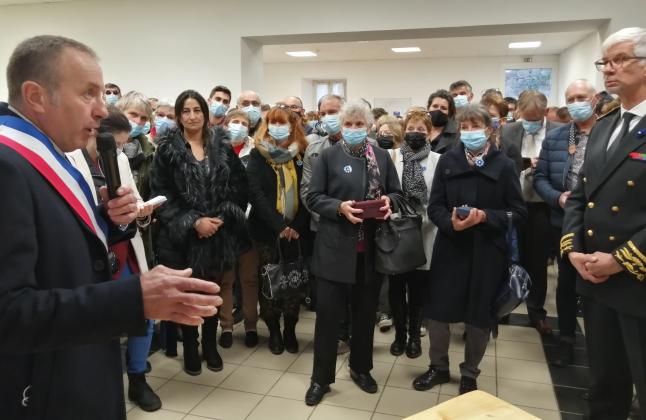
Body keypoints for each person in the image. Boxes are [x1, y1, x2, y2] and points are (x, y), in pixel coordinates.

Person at [0, 34, 221, 420]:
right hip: (43, 387)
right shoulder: (8, 164)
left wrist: (107, 220)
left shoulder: (60, 153)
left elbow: (56, 248)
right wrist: (133, 298)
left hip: (77, 362)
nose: (103, 110)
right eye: (88, 94)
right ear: (35, 96)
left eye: (103, 94)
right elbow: (10, 312)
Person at [561, 27, 646, 420]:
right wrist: (574, 250)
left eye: (620, 59)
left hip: (637, 279)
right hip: (596, 278)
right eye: (605, 62)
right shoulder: (606, 125)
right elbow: (581, 194)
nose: (609, 70)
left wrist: (622, 259)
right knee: (605, 385)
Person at [413, 104, 526, 395]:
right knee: (438, 313)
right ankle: (438, 367)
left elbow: (518, 212)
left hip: (488, 251)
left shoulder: (504, 166)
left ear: (489, 129)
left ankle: (469, 374)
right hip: (451, 247)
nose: (470, 132)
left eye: (476, 126)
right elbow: (435, 205)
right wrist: (450, 223)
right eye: (465, 127)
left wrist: (487, 217)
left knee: (479, 316)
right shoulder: (448, 161)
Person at [305, 101, 402, 406]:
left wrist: (389, 201)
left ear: (369, 127)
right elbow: (313, 197)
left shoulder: (382, 157)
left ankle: (361, 369)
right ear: (341, 127)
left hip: (370, 251)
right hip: (335, 248)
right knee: (328, 319)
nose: (355, 129)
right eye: (349, 124)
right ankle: (320, 378)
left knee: (364, 316)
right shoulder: (328, 156)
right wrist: (338, 207)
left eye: (360, 124)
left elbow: (397, 194)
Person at [67, 109, 161, 412]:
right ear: (95, 132)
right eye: (116, 144)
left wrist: (140, 213)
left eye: (122, 146)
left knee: (143, 314)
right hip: (93, 253)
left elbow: (132, 200)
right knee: (100, 322)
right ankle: (101, 382)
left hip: (124, 250)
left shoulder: (117, 159)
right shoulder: (69, 159)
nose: (120, 151)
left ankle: (137, 378)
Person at [151, 90, 249, 375]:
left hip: (218, 235)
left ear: (205, 114)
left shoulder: (221, 145)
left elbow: (239, 187)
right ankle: (191, 347)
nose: (192, 116)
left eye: (197, 110)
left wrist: (220, 218)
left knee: (211, 293)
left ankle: (210, 344)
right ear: (179, 116)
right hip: (181, 238)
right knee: (187, 296)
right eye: (186, 111)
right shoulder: (166, 150)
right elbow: (161, 194)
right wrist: (194, 222)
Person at [534, 79, 598, 367]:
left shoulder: (609, 133)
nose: (576, 103)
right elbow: (540, 179)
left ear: (594, 99)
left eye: (581, 97)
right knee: (566, 283)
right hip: (565, 220)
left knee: (599, 285)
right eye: (570, 98)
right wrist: (558, 198)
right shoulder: (557, 137)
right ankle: (567, 340)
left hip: (601, 222)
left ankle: (603, 346)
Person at [246, 105, 310, 355]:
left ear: (293, 126)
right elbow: (255, 192)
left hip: (297, 231)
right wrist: (279, 225)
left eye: (283, 122)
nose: (278, 127)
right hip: (266, 231)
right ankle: (273, 329)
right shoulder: (258, 154)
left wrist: (295, 226)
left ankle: (290, 329)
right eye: (273, 122)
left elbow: (309, 190)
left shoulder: (302, 153)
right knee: (270, 282)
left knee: (293, 282)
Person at [500, 89, 564, 335]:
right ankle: (504, 306)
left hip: (543, 205)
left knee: (537, 262)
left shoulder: (559, 130)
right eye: (527, 118)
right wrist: (527, 163)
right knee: (509, 258)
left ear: (546, 113)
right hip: (514, 204)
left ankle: (536, 312)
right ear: (518, 113)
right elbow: (504, 165)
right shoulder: (509, 131)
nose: (531, 123)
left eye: (536, 118)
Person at [388, 110, 440, 358]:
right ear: (403, 130)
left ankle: (414, 337)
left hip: (425, 232)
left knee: (418, 290)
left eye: (421, 129)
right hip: (396, 233)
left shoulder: (438, 161)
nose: (416, 133)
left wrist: (424, 217)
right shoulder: (392, 156)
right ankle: (399, 334)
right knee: (396, 289)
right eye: (411, 128)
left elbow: (440, 198)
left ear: (430, 133)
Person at [300, 94, 350, 350]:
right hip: (323, 229)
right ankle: (331, 336)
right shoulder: (314, 149)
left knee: (352, 288)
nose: (330, 117)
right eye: (325, 113)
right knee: (327, 288)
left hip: (356, 230)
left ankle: (348, 332)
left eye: (335, 111)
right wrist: (331, 217)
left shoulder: (369, 147)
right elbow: (308, 192)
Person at [220, 109, 260, 348]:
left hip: (249, 226)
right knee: (225, 280)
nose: (239, 126)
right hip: (223, 226)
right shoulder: (213, 150)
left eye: (244, 123)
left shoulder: (256, 152)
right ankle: (225, 327)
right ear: (225, 124)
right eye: (235, 121)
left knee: (249, 279)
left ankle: (251, 326)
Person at [427, 89, 460, 154]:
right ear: (428, 108)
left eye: (443, 108)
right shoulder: (418, 129)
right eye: (435, 106)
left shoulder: (457, 135)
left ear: (449, 112)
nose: (438, 110)